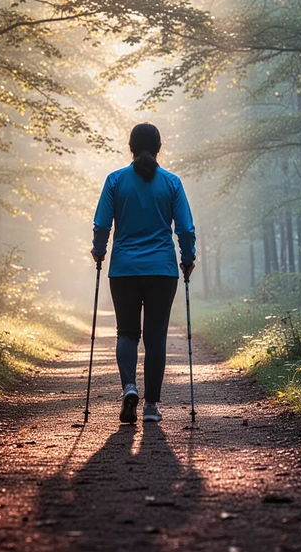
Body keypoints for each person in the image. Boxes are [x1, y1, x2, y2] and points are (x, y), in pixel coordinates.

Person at [91, 123, 196, 424]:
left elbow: (101, 226)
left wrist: (99, 251)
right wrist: (187, 258)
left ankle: (129, 388)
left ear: (131, 147)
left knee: (126, 333)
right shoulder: (172, 183)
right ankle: (151, 406)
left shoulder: (115, 181)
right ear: (159, 147)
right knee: (155, 337)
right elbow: (185, 229)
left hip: (123, 269)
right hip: (162, 270)